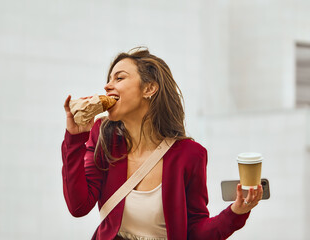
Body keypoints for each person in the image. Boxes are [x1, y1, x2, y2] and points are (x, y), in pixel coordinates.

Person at [61, 47, 263, 240]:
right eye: (109, 79)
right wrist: (74, 138)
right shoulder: (103, 137)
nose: (107, 86)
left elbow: (195, 233)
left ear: (149, 88)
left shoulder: (190, 155)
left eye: (119, 78)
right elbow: (78, 206)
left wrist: (236, 212)